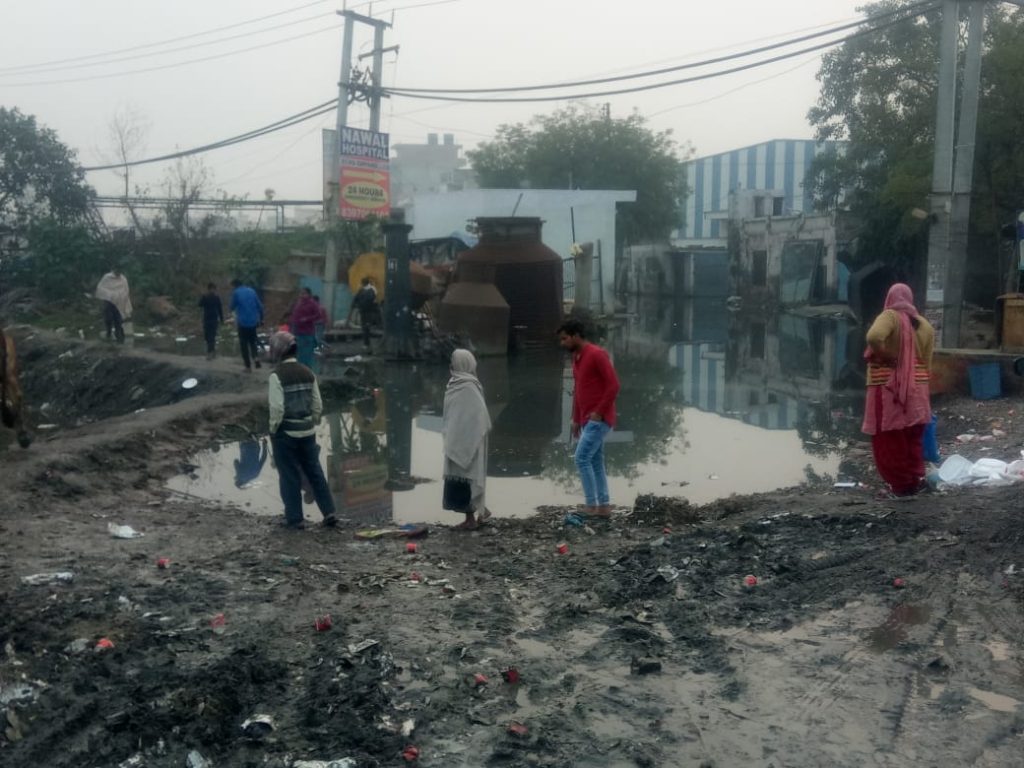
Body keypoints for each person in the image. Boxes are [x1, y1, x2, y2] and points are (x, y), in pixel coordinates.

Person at [862, 283, 935, 497]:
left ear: (890, 298)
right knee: (912, 436)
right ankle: (913, 480)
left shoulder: (890, 316)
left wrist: (886, 356)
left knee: (890, 438)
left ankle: (901, 486)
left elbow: (874, 337)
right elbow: (928, 362)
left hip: (889, 388)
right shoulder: (925, 325)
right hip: (918, 389)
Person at [267, 331, 336, 529]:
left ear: (278, 351)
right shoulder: (308, 372)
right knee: (315, 473)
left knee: (289, 476)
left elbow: (277, 408)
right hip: (307, 432)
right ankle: (329, 512)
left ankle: (295, 519)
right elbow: (317, 405)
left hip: (286, 434)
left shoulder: (276, 376)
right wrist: (311, 421)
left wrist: (273, 429)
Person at [558, 319, 621, 518]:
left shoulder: (597, 354)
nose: (562, 343)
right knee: (594, 461)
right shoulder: (577, 357)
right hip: (587, 419)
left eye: (565, 339)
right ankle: (603, 506)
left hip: (598, 419)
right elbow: (578, 390)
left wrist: (599, 412)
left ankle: (591, 505)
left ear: (576, 335)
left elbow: (613, 385)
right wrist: (576, 419)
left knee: (581, 458)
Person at [442, 349, 492, 529]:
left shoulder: (469, 386)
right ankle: (479, 512)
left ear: (462, 364)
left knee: (468, 477)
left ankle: (471, 519)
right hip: (455, 438)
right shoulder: (454, 383)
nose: (451, 364)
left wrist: (466, 436)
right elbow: (452, 414)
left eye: (454, 361)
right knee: (459, 478)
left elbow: (479, 415)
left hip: (469, 440)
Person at [230, 279, 264, 372]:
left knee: (244, 344)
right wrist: (261, 319)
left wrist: (234, 309)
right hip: (253, 322)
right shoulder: (252, 291)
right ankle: (256, 357)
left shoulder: (236, 293)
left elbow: (232, 307)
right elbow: (260, 307)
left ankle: (248, 367)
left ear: (234, 286)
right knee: (252, 342)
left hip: (243, 323)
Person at [95, 268, 132, 344]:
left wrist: (120, 296)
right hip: (109, 302)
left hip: (119, 303)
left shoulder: (123, 279)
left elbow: (126, 290)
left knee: (118, 319)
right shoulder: (107, 277)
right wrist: (110, 295)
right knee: (108, 318)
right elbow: (101, 288)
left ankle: (118, 335)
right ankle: (108, 332)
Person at [288, 287, 322, 368]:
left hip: (307, 333)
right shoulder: (299, 303)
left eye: (304, 294)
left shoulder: (312, 304)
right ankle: (301, 369)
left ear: (309, 294)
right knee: (299, 353)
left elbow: (318, 315)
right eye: (301, 293)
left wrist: (307, 319)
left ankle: (307, 369)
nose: (302, 295)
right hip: (298, 332)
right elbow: (295, 316)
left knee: (307, 354)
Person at [347, 277, 380, 351]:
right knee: (366, 327)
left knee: (365, 327)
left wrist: (355, 306)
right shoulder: (371, 290)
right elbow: (372, 299)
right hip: (369, 311)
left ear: (363, 283)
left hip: (364, 311)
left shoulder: (363, 291)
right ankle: (367, 344)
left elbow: (356, 299)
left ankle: (366, 344)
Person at [198, 283, 224, 359]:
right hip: (207, 318)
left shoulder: (216, 298)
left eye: (214, 289)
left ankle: (210, 353)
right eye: (212, 289)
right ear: (209, 289)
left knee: (212, 336)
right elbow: (199, 304)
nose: (213, 290)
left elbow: (220, 309)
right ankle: (212, 351)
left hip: (213, 319)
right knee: (207, 336)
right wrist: (203, 297)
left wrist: (221, 319)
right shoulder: (205, 297)